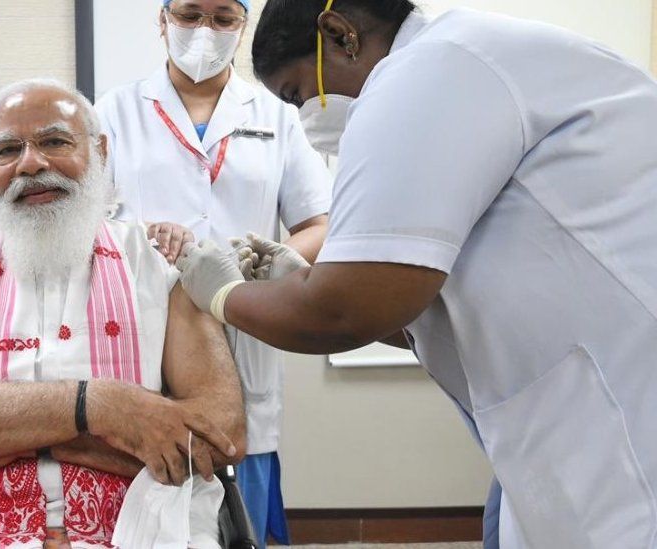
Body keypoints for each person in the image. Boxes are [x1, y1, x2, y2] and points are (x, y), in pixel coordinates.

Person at [175, 0, 657, 547]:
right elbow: (413, 315)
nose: (306, 115)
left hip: (619, 420)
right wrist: (295, 278)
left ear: (340, 34)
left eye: (297, 94)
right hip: (564, 412)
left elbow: (342, 312)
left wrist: (223, 293)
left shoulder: (428, 72)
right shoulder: (466, 61)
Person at [0, 79, 247, 548]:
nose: (30, 164)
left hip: (141, 523)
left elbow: (220, 433)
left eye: (54, 141)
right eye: (7, 151)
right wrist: (102, 407)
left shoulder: (160, 263)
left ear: (99, 151)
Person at [95, 1, 332, 543]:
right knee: (149, 491)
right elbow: (87, 224)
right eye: (190, 14)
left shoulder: (275, 114)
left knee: (238, 489)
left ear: (242, 28)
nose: (206, 30)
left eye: (224, 18)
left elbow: (319, 222)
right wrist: (142, 240)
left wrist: (268, 259)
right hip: (146, 325)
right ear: (162, 20)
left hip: (246, 322)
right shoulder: (115, 111)